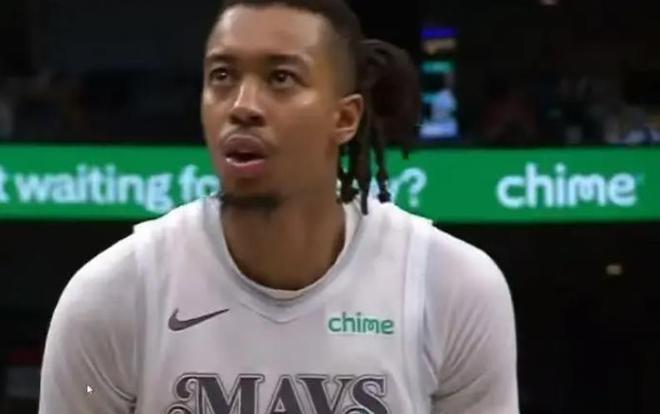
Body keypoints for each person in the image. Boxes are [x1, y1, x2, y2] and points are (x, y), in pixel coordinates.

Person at [39, 0, 519, 412]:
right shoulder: (110, 299)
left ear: (345, 117)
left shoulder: (452, 288)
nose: (242, 105)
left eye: (281, 78)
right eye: (222, 76)